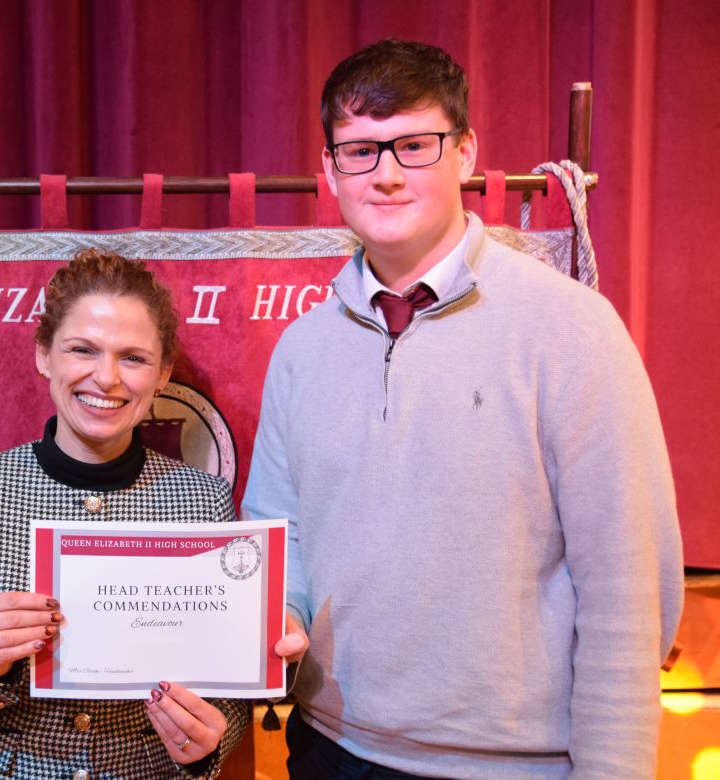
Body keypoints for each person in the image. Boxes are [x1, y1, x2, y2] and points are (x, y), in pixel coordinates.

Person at [243, 39, 683, 779]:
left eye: (415, 146)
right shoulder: (302, 347)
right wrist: (283, 612)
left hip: (514, 765)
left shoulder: (572, 328)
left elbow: (627, 592)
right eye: (360, 151)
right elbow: (277, 533)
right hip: (327, 752)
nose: (386, 175)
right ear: (330, 168)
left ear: (467, 152)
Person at [0, 248, 250, 778]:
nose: (106, 378)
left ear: (163, 374)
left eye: (133, 358)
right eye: (83, 349)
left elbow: (229, 691)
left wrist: (208, 743)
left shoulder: (205, 501)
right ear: (44, 356)